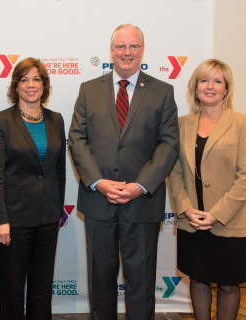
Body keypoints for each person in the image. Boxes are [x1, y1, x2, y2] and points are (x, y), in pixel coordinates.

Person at [68, 24, 179, 319]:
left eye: (133, 46)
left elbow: (169, 145)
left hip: (141, 203)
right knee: (100, 282)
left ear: (142, 50)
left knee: (140, 284)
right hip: (98, 202)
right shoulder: (89, 90)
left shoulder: (163, 92)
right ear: (111, 51)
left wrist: (140, 186)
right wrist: (99, 182)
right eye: (120, 46)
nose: (127, 53)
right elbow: (76, 139)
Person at [168, 59, 246, 319]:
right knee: (197, 280)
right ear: (195, 88)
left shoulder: (243, 123)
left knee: (229, 285)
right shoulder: (181, 124)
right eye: (204, 80)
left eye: (217, 81)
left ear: (226, 89)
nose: (210, 86)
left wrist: (216, 214)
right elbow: (174, 173)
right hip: (192, 221)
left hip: (228, 221)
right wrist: (186, 209)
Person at [0, 57, 66, 320]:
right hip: (13, 221)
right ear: (15, 86)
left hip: (47, 218)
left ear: (44, 84)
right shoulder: (1, 121)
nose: (31, 85)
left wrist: (56, 212)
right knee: (12, 288)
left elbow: (59, 172)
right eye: (24, 79)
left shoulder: (56, 119)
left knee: (42, 288)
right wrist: (0, 219)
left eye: (37, 79)